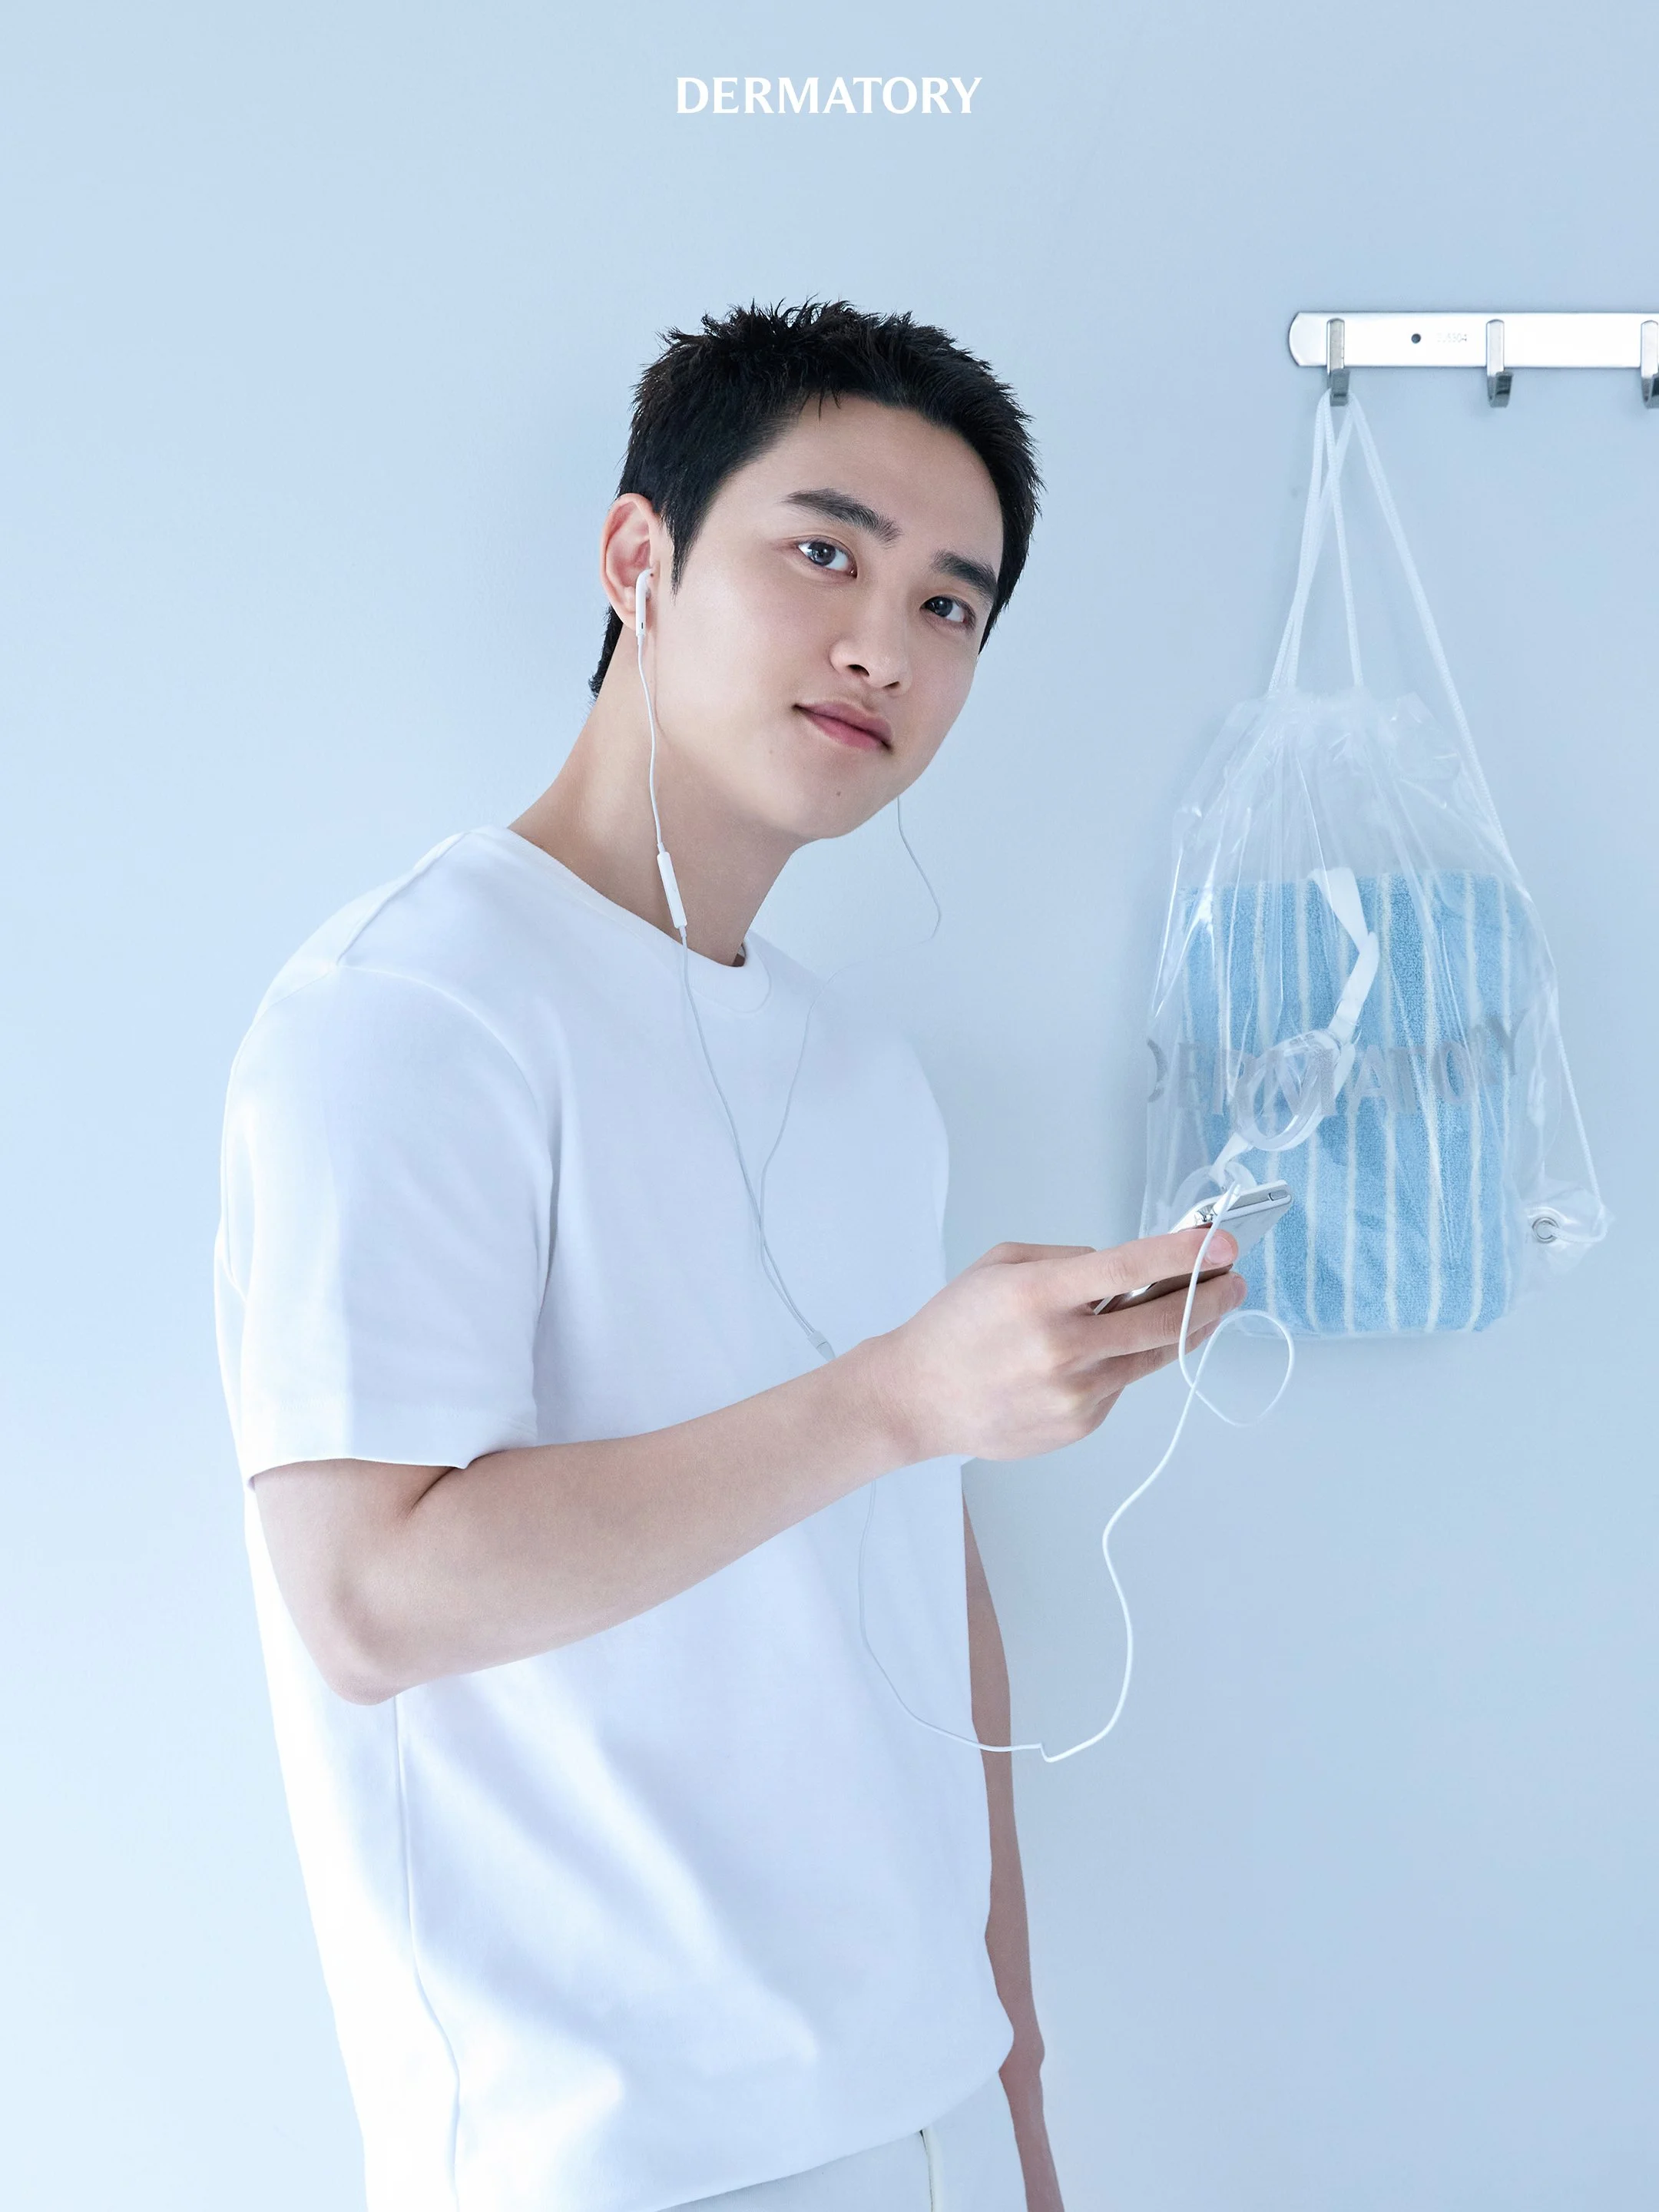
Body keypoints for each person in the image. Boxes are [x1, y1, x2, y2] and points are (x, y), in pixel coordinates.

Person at [213, 297, 1243, 2212]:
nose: (886, 644)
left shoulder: (864, 1076)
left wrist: (1011, 2081)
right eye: (826, 553)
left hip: (927, 2114)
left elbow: (924, 1581)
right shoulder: (416, 1009)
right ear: (639, 558)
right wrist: (898, 1399)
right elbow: (369, 1600)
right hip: (616, 2157)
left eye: (951, 604)